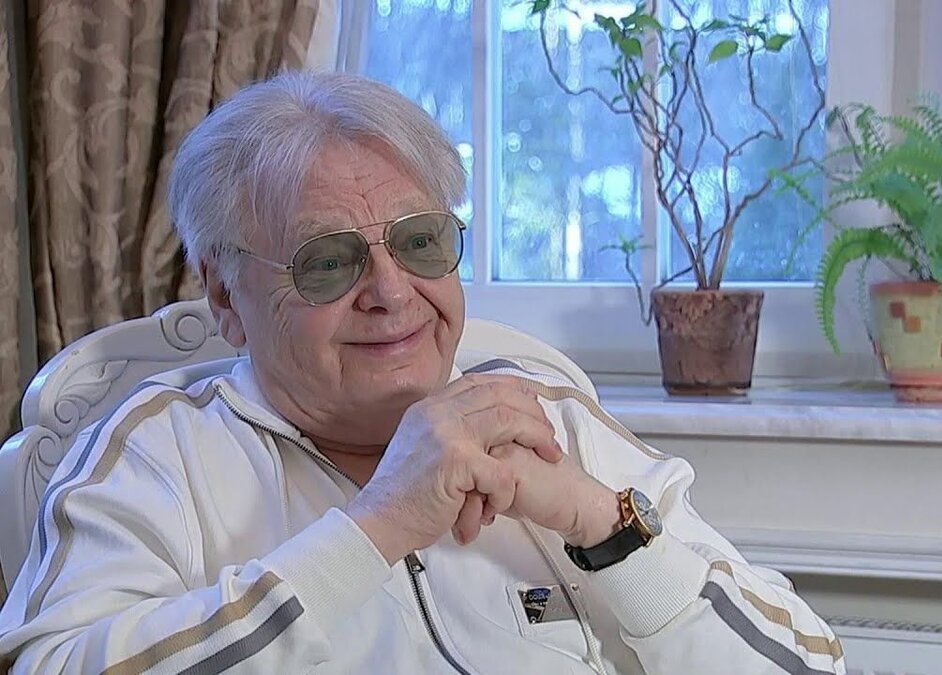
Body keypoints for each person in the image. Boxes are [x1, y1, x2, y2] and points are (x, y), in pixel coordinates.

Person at [0, 70, 844, 674]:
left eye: (420, 241)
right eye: (328, 262)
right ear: (226, 293)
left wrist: (603, 524)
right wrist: (374, 528)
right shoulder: (157, 452)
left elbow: (808, 662)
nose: (393, 292)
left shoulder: (552, 418)